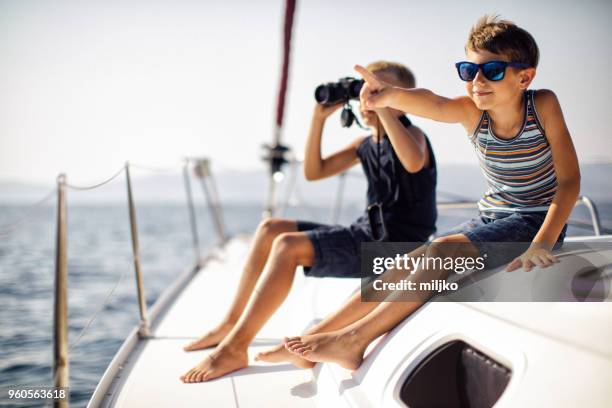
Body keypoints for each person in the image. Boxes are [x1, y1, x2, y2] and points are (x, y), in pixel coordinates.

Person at [281, 15, 580, 371]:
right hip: (493, 217)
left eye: (493, 71)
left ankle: (352, 341)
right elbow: (433, 103)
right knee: (406, 262)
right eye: (468, 71)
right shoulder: (472, 112)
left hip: (535, 224)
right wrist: (389, 95)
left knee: (440, 250)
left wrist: (543, 242)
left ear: (524, 77)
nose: (477, 81)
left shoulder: (542, 105)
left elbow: (569, 182)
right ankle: (323, 335)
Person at [179, 61, 438, 383]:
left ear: (402, 99)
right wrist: (318, 119)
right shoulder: (365, 144)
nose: (369, 97)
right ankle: (231, 323)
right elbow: (314, 172)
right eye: (367, 90)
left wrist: (383, 105)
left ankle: (235, 348)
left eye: (380, 90)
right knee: (271, 228)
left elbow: (412, 163)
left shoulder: (415, 136)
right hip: (366, 233)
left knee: (288, 246)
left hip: (397, 247)